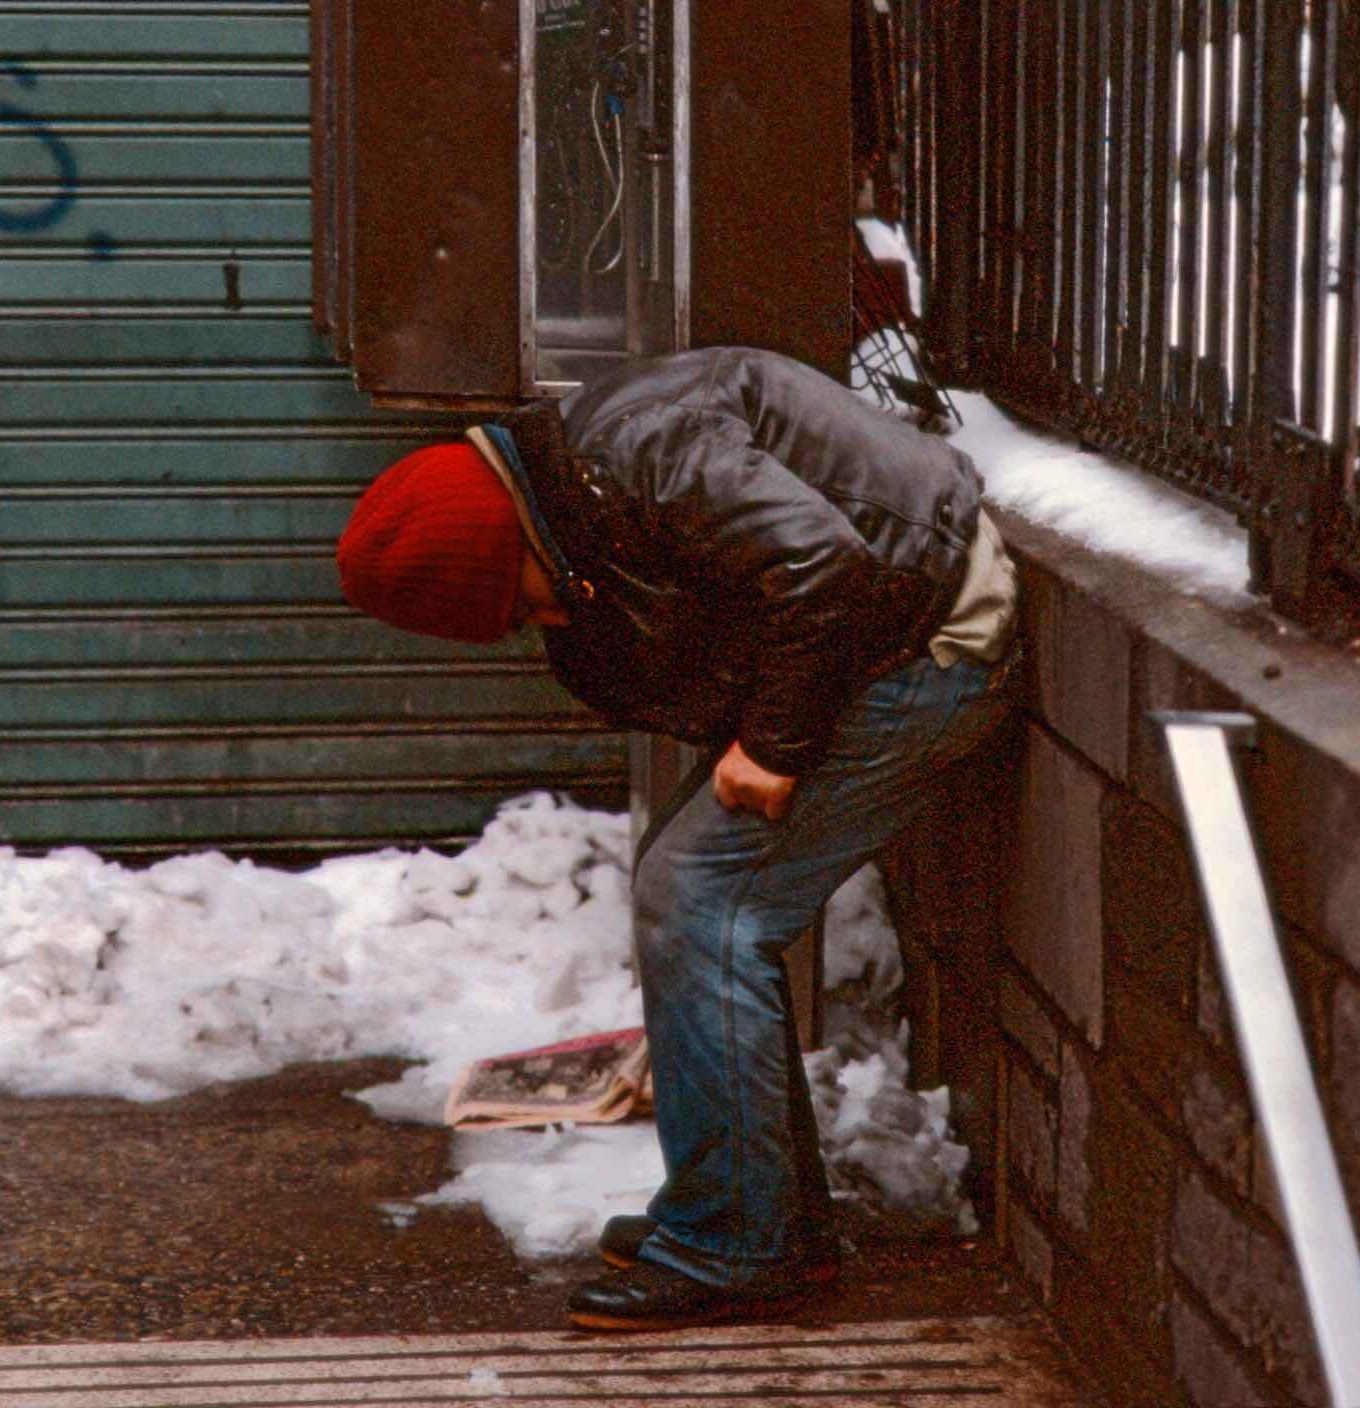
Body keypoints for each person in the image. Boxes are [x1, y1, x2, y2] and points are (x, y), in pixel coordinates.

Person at [334, 346, 1019, 1332]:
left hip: (933, 639)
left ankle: (738, 1240)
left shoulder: (643, 452)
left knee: (703, 902)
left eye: (510, 597)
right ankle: (763, 1216)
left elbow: (821, 567)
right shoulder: (579, 477)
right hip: (882, 631)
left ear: (499, 538)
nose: (531, 614)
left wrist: (774, 749)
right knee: (685, 890)